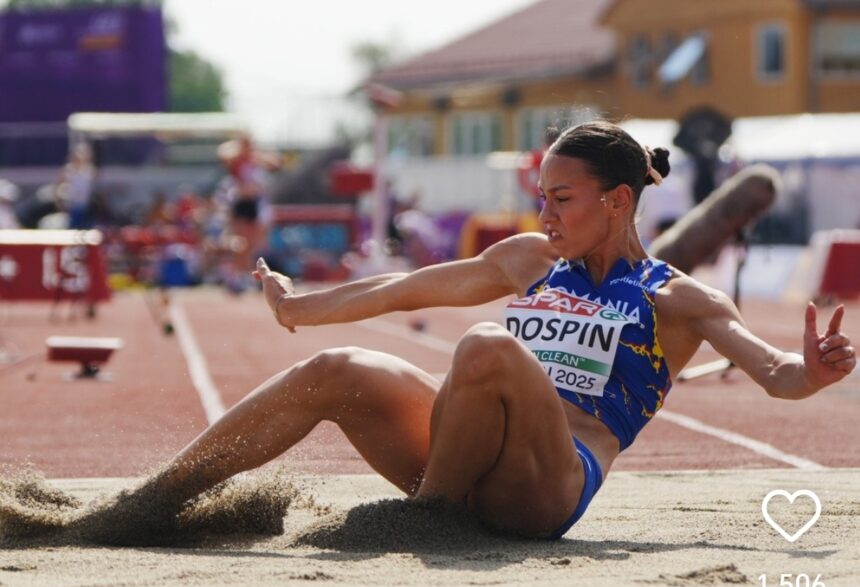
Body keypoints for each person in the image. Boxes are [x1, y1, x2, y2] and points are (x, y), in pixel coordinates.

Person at [84, 121, 856, 542]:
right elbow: (405, 288)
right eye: (541, 196)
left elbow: (775, 371)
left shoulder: (680, 299)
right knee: (337, 366)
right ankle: (150, 501)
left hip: (547, 483)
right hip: (464, 450)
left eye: (561, 199)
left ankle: (425, 519)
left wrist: (813, 370)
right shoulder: (532, 259)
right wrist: (299, 308)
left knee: (489, 347)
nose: (544, 215)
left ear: (618, 201)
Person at [217, 134, 281, 289]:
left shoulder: (256, 158)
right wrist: (241, 150)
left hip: (254, 203)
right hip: (240, 202)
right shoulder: (235, 159)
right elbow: (222, 154)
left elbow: (277, 163)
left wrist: (256, 155)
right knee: (240, 242)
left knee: (253, 245)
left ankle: (246, 275)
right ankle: (236, 275)